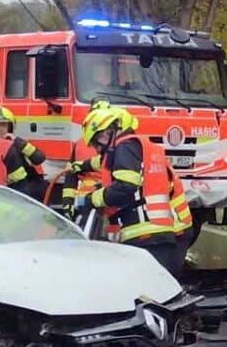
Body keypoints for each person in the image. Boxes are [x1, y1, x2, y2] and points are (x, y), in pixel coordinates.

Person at [70, 104, 191, 277]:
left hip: (146, 232)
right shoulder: (137, 145)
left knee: (150, 294)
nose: (97, 148)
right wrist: (81, 165)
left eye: (97, 142)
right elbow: (106, 163)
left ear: (109, 131)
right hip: (164, 230)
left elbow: (125, 186)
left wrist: (91, 199)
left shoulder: (124, 148)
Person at [0, 105, 49, 199]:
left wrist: (19, 142)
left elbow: (39, 158)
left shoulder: (17, 144)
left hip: (22, 190)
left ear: (10, 127)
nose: (0, 129)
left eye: (4, 125)